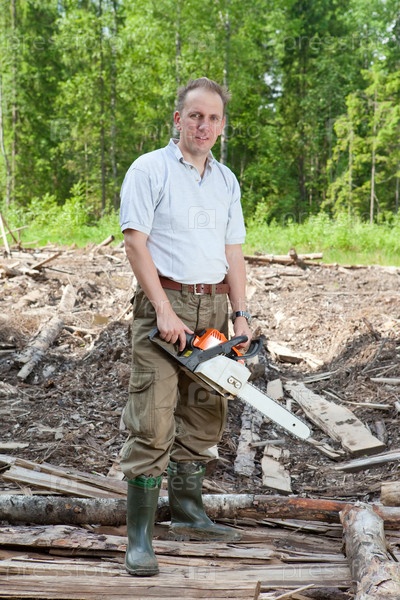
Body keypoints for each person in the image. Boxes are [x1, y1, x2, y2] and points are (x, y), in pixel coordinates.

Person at [119, 76, 252, 577]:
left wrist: (241, 313)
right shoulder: (150, 169)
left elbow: (233, 251)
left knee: (203, 415)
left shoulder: (226, 180)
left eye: (213, 118)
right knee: (153, 421)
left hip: (214, 309)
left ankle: (189, 513)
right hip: (165, 308)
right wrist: (163, 309)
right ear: (178, 119)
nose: (204, 125)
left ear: (222, 125)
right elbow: (135, 242)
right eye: (195, 115)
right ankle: (139, 538)